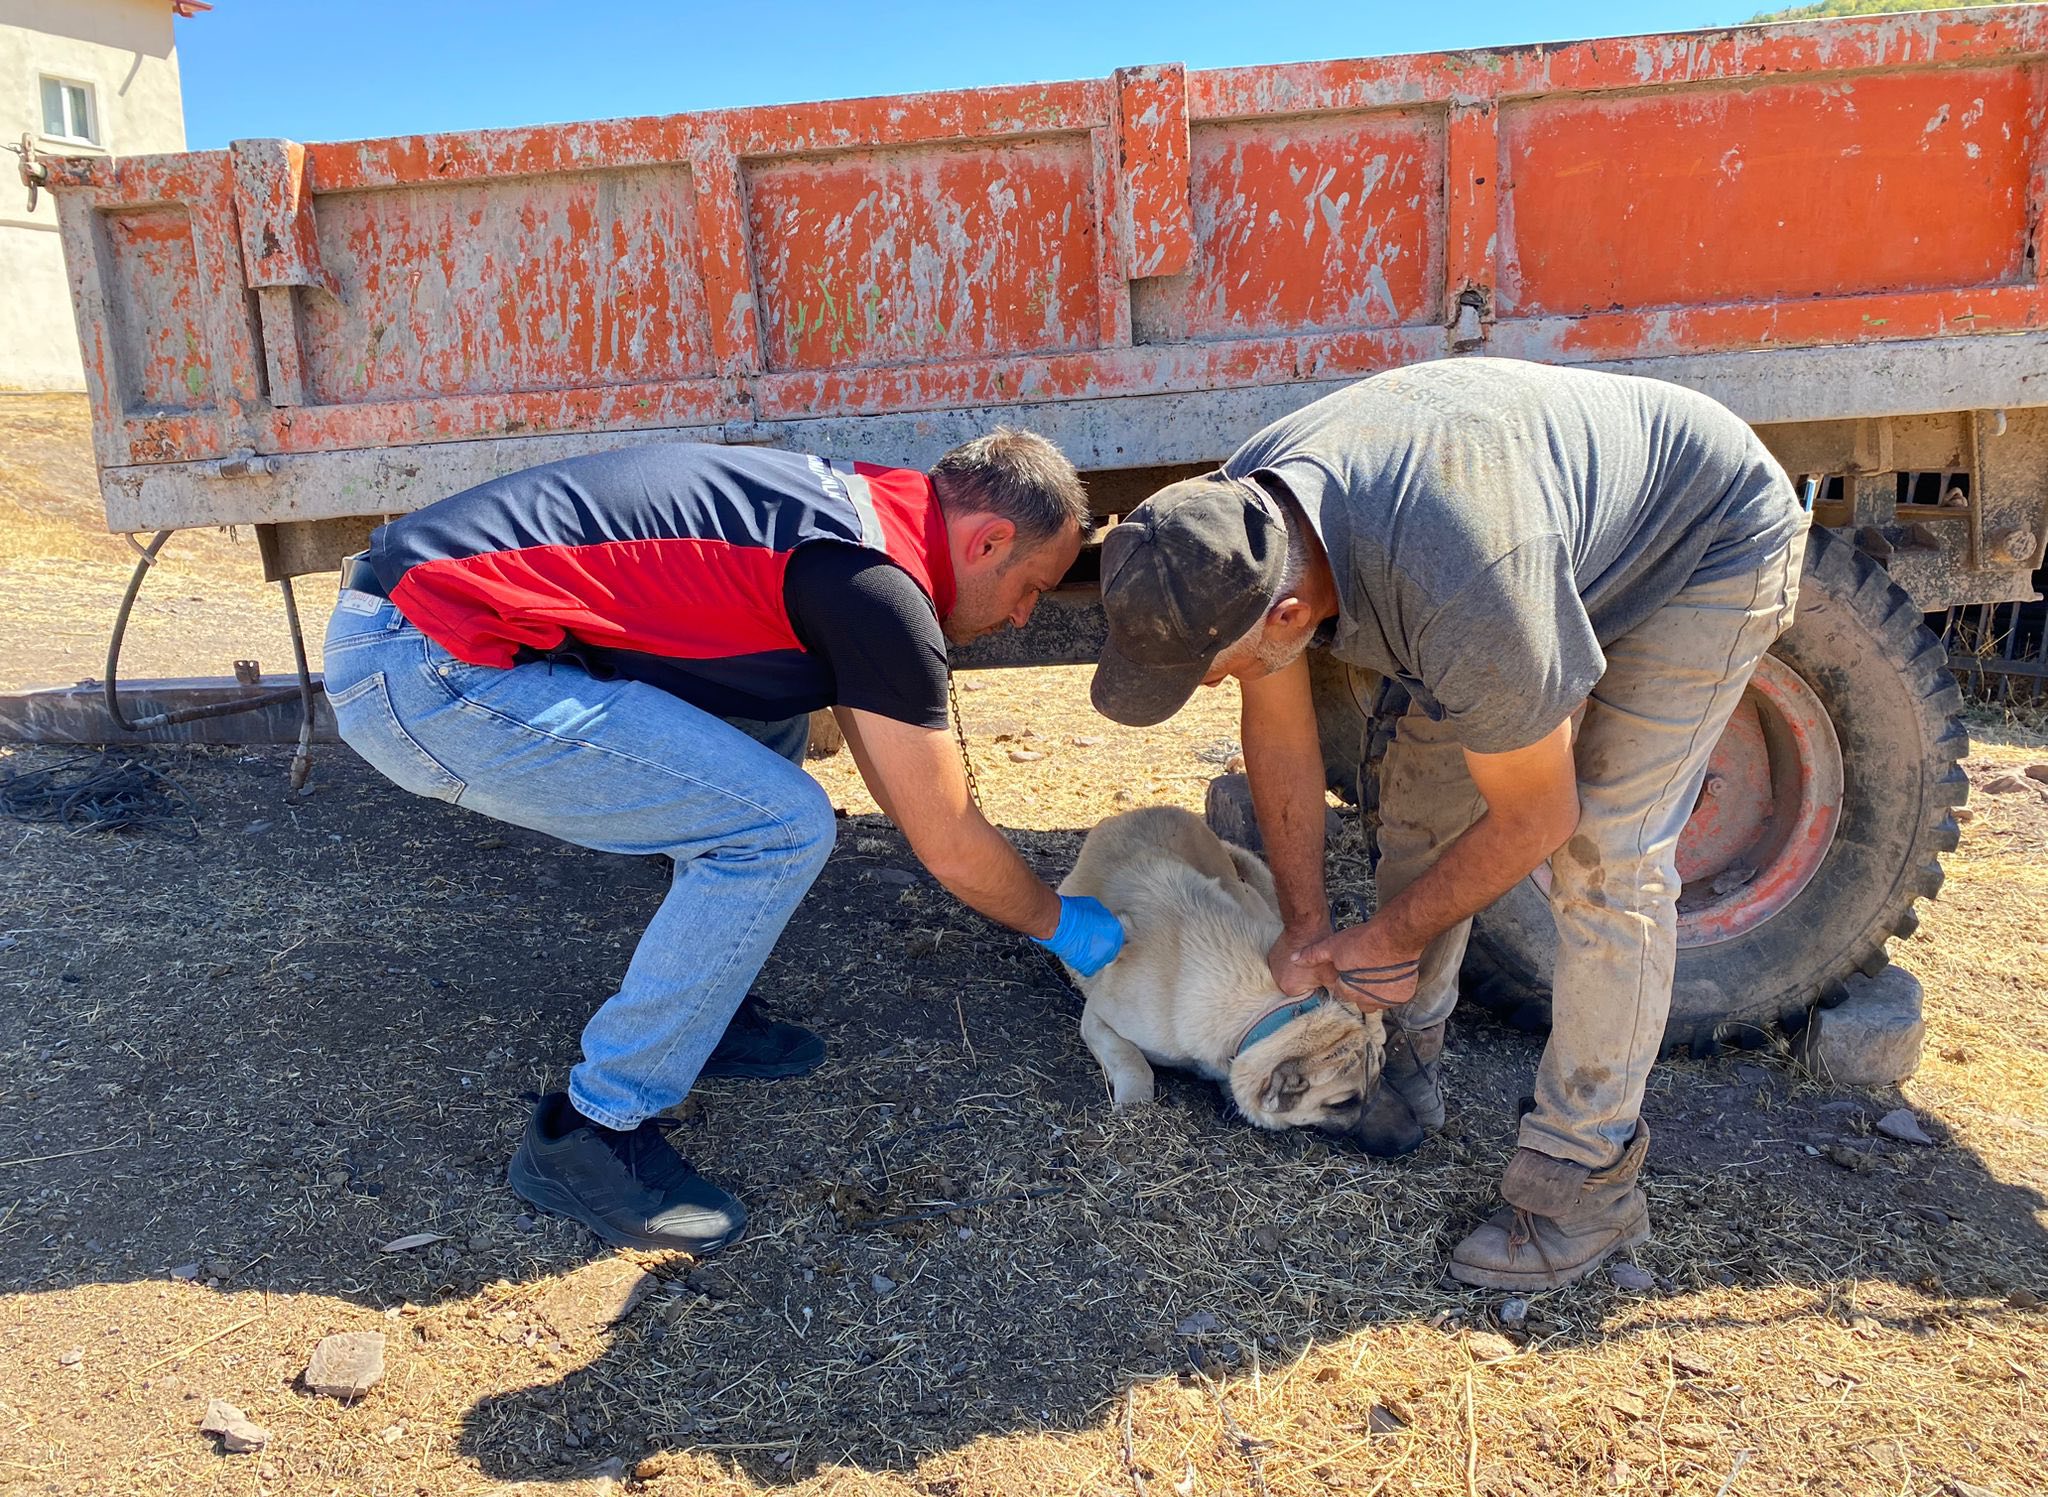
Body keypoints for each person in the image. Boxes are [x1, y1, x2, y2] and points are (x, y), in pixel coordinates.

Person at [1088, 358, 1808, 1290]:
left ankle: (1579, 1183)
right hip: (1499, 546)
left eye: (1213, 666)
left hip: (1703, 543)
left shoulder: (1467, 590)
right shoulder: (1239, 528)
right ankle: (1400, 1051)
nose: (1214, 681)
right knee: (1422, 814)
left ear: (1290, 612)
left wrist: (1391, 933)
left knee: (1606, 860)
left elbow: (1540, 813)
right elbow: (1280, 737)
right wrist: (1306, 927)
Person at [323, 432, 1124, 1257]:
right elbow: (948, 844)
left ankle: (696, 1012)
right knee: (779, 827)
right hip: (428, 665)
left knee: (767, 716)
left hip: (429, 630)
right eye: (1031, 586)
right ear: (987, 539)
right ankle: (593, 1133)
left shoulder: (863, 522)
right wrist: (1063, 924)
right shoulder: (874, 587)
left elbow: (906, 785)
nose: (1026, 614)